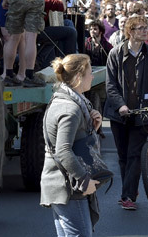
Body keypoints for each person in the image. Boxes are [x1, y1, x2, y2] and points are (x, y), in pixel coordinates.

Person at [104, 15, 148, 210]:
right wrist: (120, 105)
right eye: (141, 28)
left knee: (135, 153)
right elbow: (110, 87)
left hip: (143, 112)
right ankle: (131, 188)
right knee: (123, 156)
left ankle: (127, 196)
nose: (146, 31)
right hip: (119, 114)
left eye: (147, 28)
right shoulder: (116, 54)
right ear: (130, 32)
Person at [41, 54, 103, 237]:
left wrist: (92, 127)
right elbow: (63, 150)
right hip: (68, 187)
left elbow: (72, 141)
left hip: (63, 184)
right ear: (78, 78)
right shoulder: (71, 109)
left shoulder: (64, 99)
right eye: (90, 73)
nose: (92, 76)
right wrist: (85, 181)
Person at [37, 0, 78, 69]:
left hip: (39, 28)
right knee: (70, 32)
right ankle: (70, 66)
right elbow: (62, 6)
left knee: (66, 25)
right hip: (36, 31)